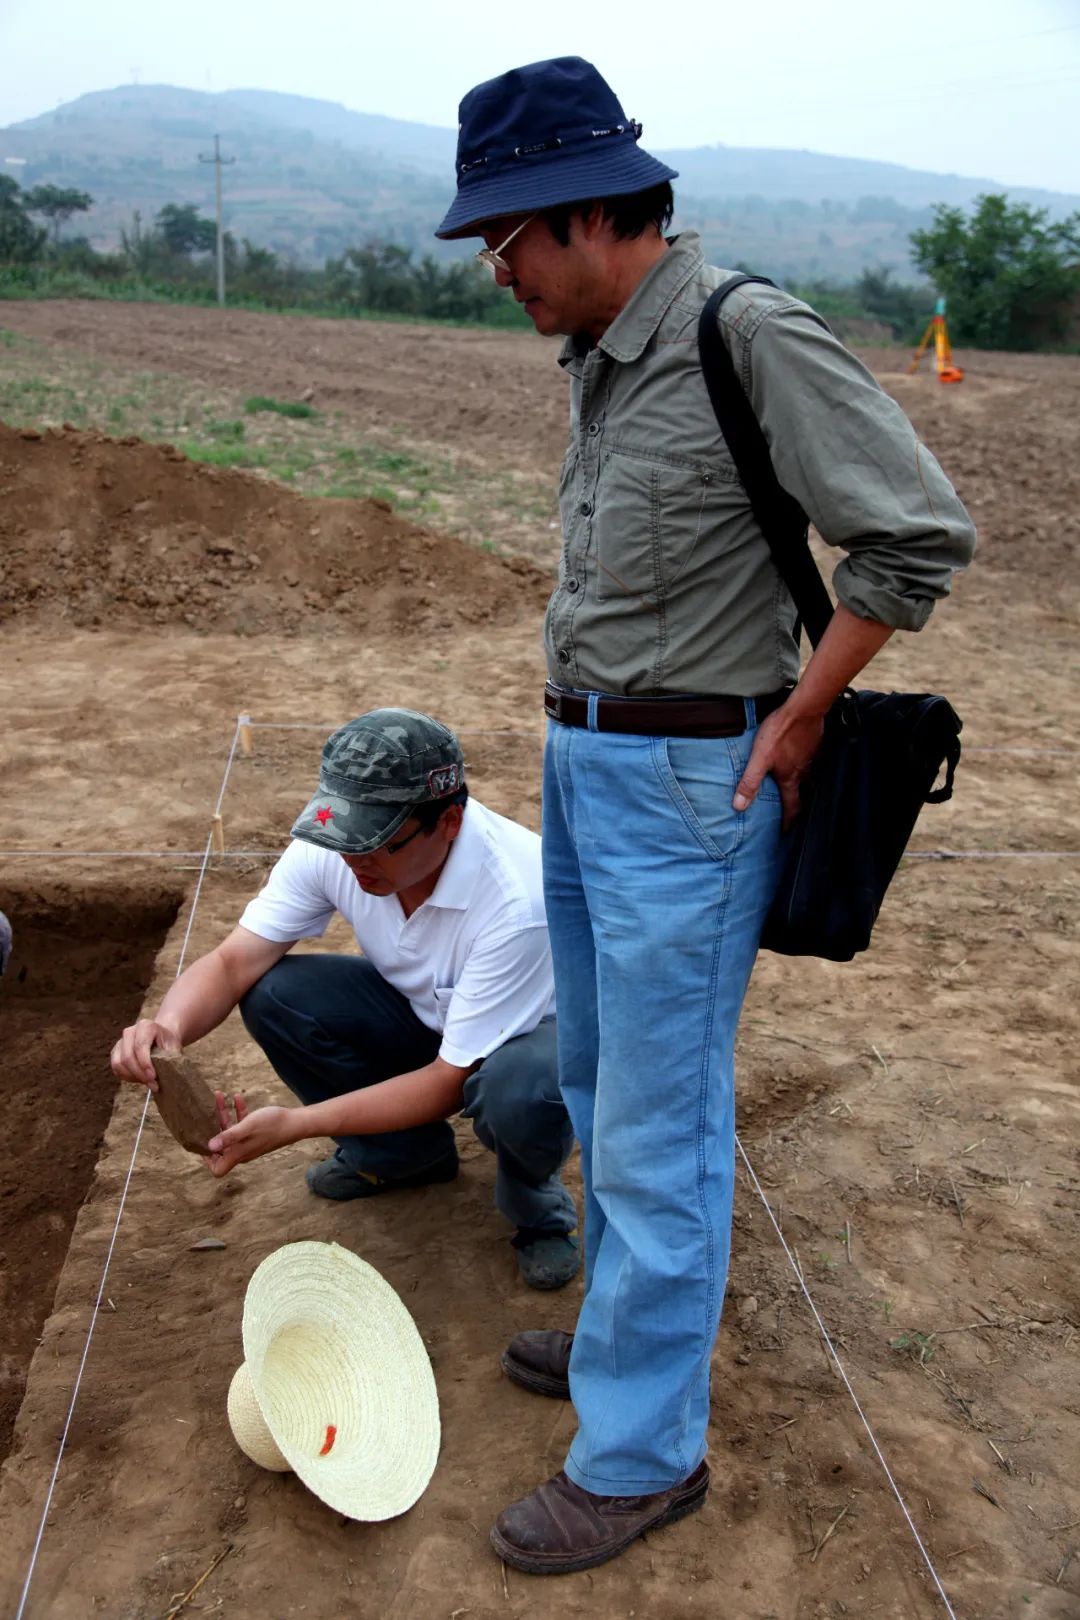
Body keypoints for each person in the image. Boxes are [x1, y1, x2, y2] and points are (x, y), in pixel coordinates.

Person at [436, 57, 976, 1572]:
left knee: (661, 1131)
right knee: (607, 1088)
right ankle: (626, 1344)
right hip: (590, 768)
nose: (502, 274)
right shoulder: (607, 356)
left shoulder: (745, 332)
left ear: (591, 211)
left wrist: (807, 707)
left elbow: (918, 533)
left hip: (693, 785)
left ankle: (641, 1455)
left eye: (511, 243)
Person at [110, 707, 580, 1291]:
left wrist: (298, 1125)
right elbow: (234, 961)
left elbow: (447, 1082)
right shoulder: (338, 846)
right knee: (276, 993)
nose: (357, 860)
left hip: (528, 1040)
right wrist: (168, 1028)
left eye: (381, 843)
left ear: (450, 822)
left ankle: (536, 1206)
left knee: (519, 1090)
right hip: (428, 1017)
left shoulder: (517, 902)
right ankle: (402, 1158)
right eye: (348, 838)